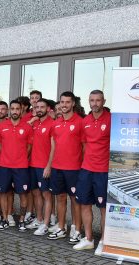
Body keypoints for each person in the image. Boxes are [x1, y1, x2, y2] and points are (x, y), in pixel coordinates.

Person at [74, 90, 111, 253]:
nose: (94, 103)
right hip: (86, 169)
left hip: (103, 170)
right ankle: (88, 239)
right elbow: (83, 144)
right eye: (92, 100)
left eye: (98, 100)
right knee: (84, 204)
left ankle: (103, 241)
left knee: (104, 208)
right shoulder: (85, 121)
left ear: (103, 101)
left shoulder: (111, 119)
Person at [47, 91, 84, 243]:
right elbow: (53, 147)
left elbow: (84, 147)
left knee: (75, 200)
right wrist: (49, 165)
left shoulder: (80, 122)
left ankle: (76, 229)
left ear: (73, 104)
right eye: (62, 102)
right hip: (57, 167)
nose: (64, 105)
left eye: (67, 102)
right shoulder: (55, 123)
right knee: (60, 198)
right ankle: (62, 228)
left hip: (74, 168)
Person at [0, 100, 33, 230]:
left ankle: (21, 220)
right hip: (4, 166)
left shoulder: (27, 127)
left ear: (21, 110)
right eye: (13, 109)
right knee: (3, 193)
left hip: (21, 167)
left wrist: (20, 157)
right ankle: (4, 218)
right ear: (10, 110)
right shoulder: (2, 126)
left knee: (23, 194)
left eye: (18, 109)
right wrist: (7, 155)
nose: (15, 111)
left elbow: (29, 146)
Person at [28, 99, 55, 236]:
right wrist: (31, 121)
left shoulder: (52, 124)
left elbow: (53, 148)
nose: (39, 109)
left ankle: (45, 224)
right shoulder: (35, 123)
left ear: (48, 108)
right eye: (37, 107)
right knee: (35, 193)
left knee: (46, 195)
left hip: (43, 166)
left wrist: (48, 166)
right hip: (32, 164)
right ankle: (38, 220)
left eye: (42, 107)